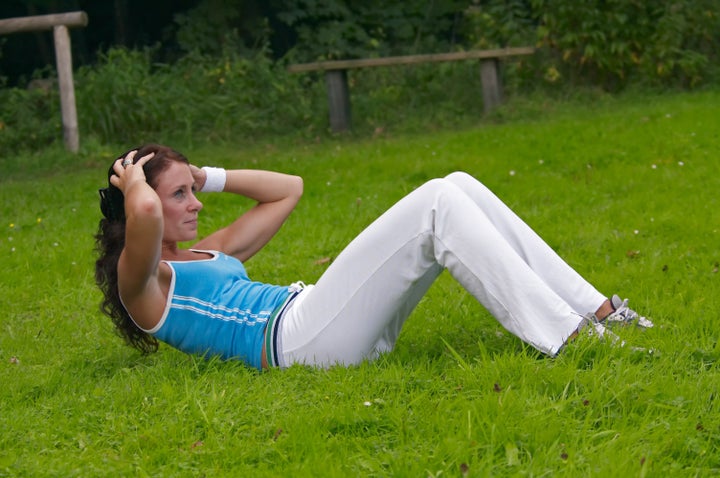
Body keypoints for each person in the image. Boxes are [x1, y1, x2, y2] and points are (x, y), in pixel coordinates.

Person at [95, 144, 652, 370]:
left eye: (190, 192)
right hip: (297, 341)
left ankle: (597, 310)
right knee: (436, 203)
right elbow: (142, 217)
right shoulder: (144, 283)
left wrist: (203, 176)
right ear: (138, 204)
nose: (192, 204)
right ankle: (567, 339)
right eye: (179, 196)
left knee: (455, 183)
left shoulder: (207, 252)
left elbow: (288, 188)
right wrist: (134, 181)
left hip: (319, 319)